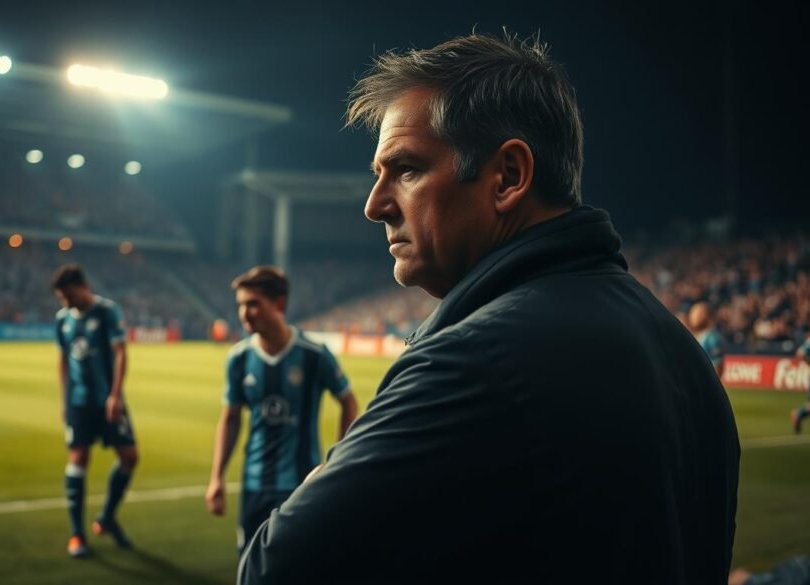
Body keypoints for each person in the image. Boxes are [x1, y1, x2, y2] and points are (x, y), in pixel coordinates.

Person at [238, 33, 740, 584]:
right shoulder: (681, 353)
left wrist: (328, 471)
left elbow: (270, 569)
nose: (374, 204)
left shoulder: (472, 362)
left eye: (405, 170)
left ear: (507, 177)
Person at [205, 265, 358, 556]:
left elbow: (348, 400)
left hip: (303, 483)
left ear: (279, 303)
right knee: (250, 565)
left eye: (253, 304)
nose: (244, 313)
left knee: (300, 566)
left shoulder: (314, 355)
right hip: (255, 483)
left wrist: (340, 456)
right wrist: (217, 478)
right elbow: (231, 419)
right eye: (240, 305)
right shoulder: (239, 358)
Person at [52, 264, 138, 558]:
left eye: (69, 295)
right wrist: (64, 400)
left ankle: (106, 517)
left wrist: (115, 395)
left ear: (82, 286)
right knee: (78, 458)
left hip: (108, 399)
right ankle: (77, 534)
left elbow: (121, 353)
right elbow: (62, 360)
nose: (66, 302)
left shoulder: (107, 311)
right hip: (79, 402)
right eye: (62, 298)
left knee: (130, 457)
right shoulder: (62, 320)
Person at [690, 301, 726, 376]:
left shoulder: (712, 338)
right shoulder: (696, 336)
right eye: (692, 313)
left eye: (696, 313)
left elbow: (717, 366)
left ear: (706, 316)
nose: (692, 316)